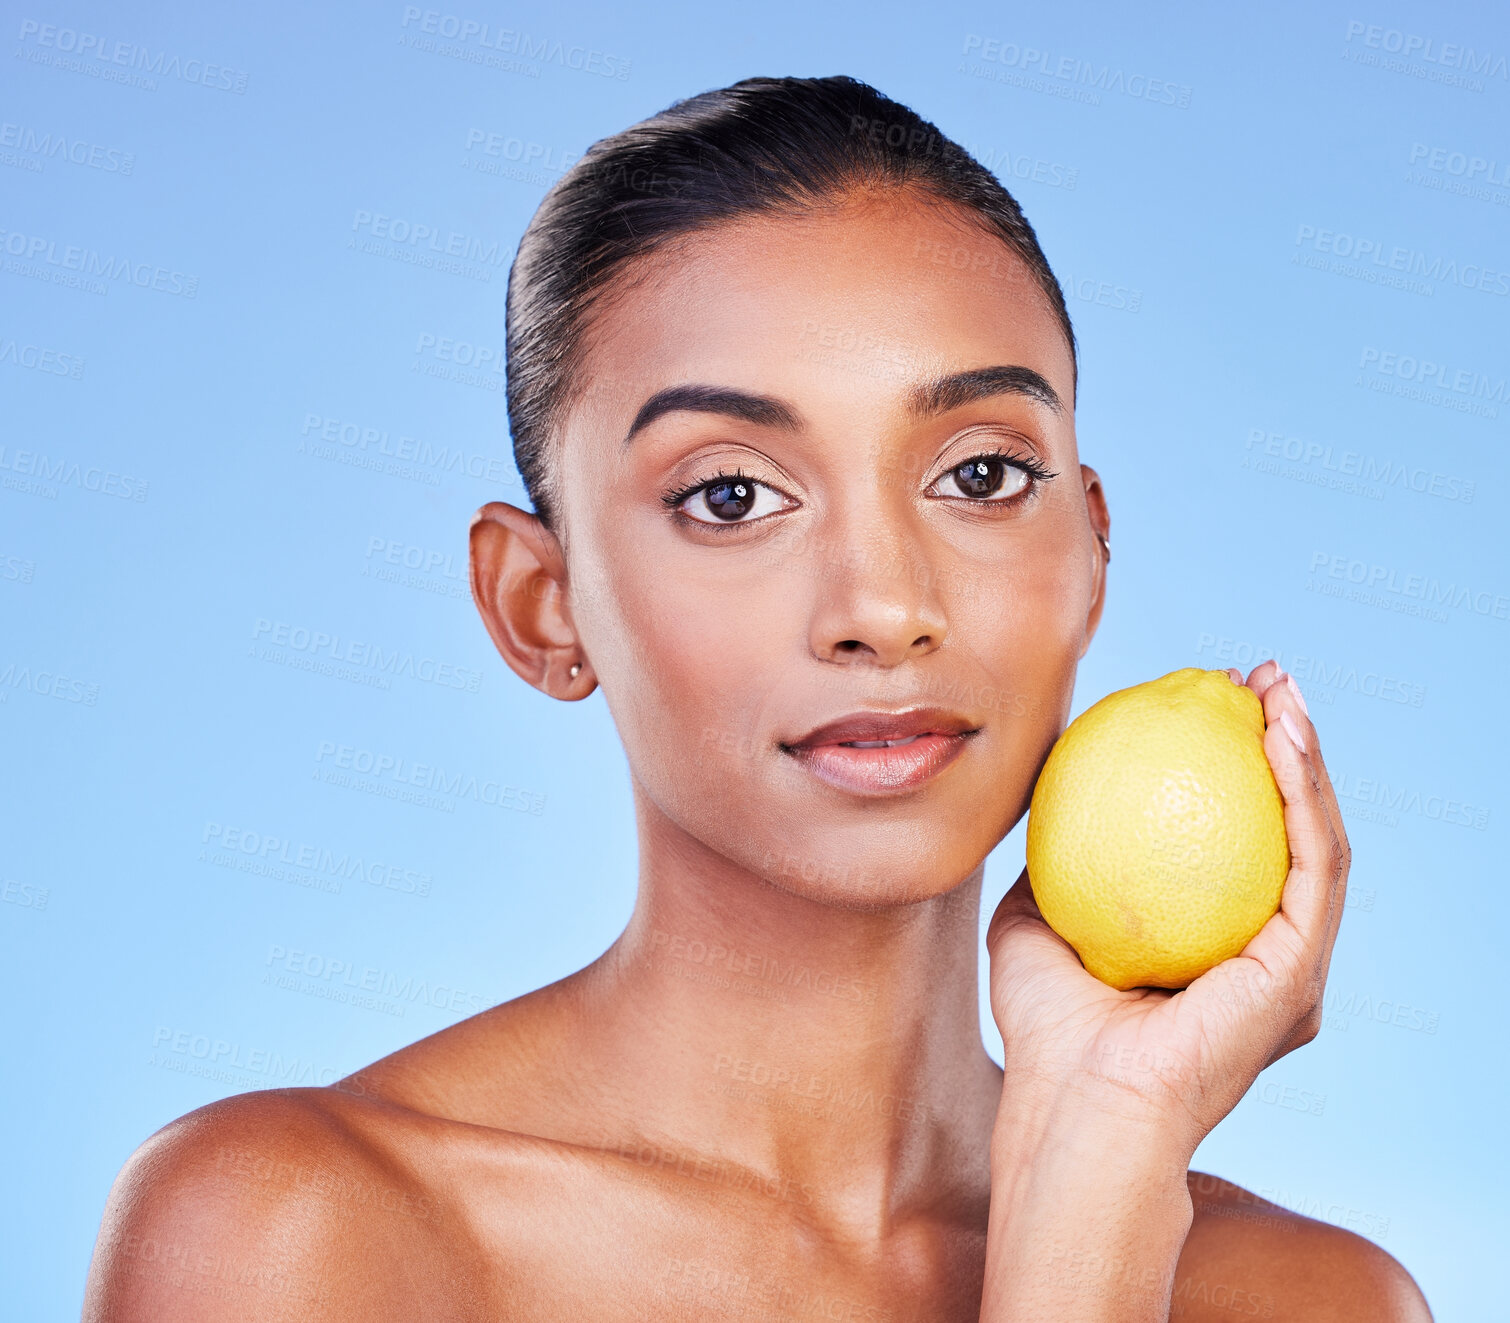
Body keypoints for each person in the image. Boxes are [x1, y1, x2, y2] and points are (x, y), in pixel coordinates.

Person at [83, 74, 1433, 1320]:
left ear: (1088, 551)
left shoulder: (1306, 1300)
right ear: (539, 607)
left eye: (977, 476)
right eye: (730, 496)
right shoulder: (298, 1235)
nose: (879, 607)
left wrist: (1100, 1160)